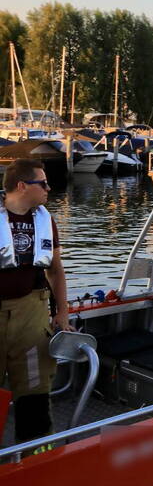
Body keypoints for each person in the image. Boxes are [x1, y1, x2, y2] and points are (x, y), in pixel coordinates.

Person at [0, 158, 71, 449]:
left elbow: (54, 269)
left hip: (31, 311)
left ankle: (35, 454)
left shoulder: (45, 220)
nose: (48, 188)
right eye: (42, 183)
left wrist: (63, 312)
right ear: (21, 186)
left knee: (34, 385)